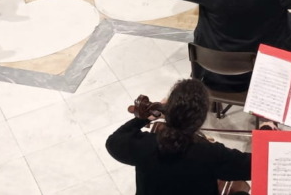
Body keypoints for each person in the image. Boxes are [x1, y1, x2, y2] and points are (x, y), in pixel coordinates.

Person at [106, 78, 252, 194]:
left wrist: (144, 117)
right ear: (200, 120)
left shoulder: (144, 145)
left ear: (168, 110)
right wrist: (266, 129)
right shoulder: (211, 153)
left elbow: (113, 142)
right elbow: (255, 166)